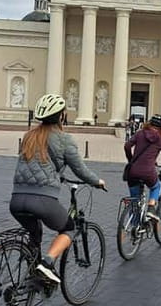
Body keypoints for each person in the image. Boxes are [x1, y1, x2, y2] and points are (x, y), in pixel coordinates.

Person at [10, 94, 105, 283]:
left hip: (16, 199)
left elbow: (36, 164)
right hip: (42, 200)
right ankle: (47, 264)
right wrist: (97, 181)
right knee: (70, 228)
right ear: (61, 116)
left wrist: (57, 175)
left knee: (35, 232)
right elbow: (80, 170)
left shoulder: (29, 136)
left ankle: (32, 276)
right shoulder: (64, 139)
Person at [124, 114, 161, 224]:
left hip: (132, 172)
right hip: (148, 172)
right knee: (157, 186)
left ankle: (134, 226)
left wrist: (131, 160)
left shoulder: (140, 133)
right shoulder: (159, 140)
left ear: (150, 123)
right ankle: (151, 208)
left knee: (135, 201)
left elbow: (127, 146)